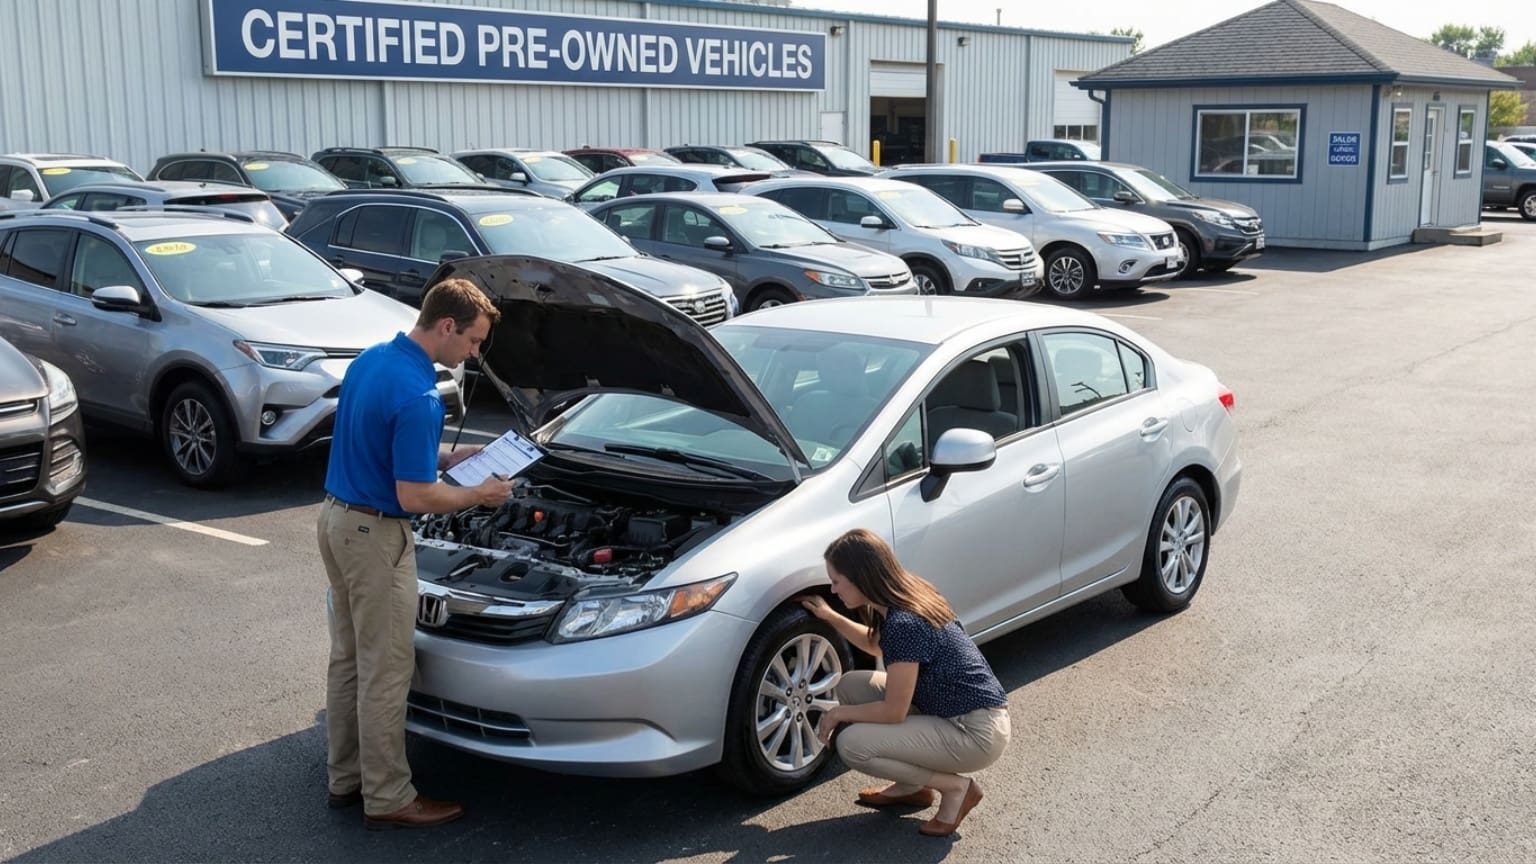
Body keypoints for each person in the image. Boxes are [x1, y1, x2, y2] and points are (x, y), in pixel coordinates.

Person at [317, 277, 515, 830]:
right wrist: (481, 493)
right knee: (387, 669)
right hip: (375, 536)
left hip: (335, 519)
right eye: (473, 341)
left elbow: (378, 444)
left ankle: (346, 777)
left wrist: (447, 458)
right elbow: (415, 497)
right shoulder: (421, 396)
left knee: (350, 658)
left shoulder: (373, 360)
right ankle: (388, 797)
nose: (474, 354)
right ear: (447, 326)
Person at [801, 528, 1011, 838]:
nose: (833, 590)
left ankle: (956, 788)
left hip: (974, 732)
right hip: (956, 712)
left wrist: (837, 714)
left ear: (861, 578)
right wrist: (831, 616)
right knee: (850, 685)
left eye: (837, 581)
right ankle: (912, 787)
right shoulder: (906, 595)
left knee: (852, 745)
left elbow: (894, 712)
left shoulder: (904, 623)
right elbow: (876, 646)